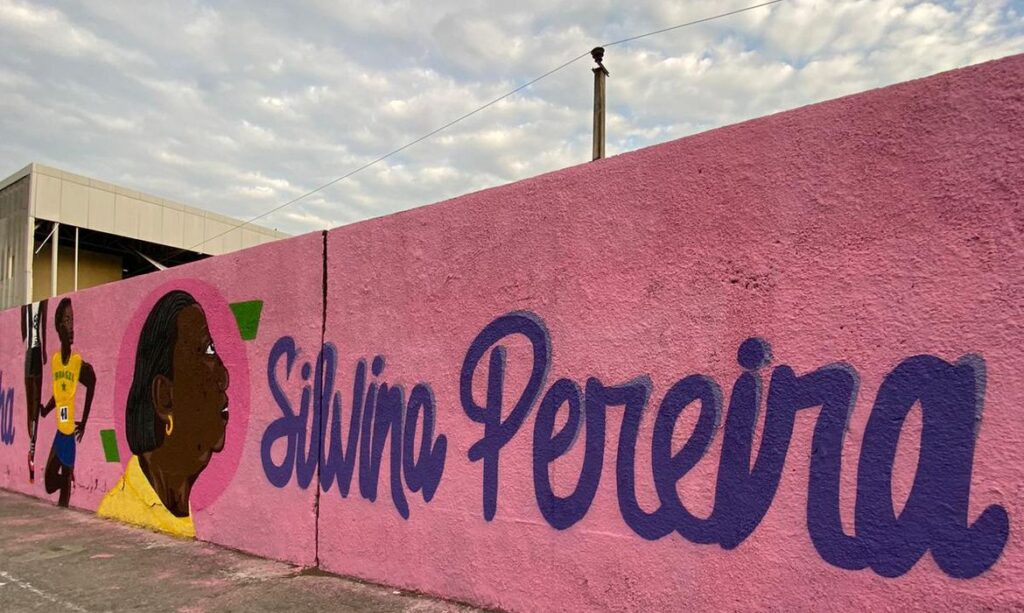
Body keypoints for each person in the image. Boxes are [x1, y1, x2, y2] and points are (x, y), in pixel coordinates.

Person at [98, 290, 230, 538]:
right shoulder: (122, 508)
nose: (224, 376)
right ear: (165, 398)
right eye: (207, 351)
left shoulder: (177, 513)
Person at [39, 298, 96, 507]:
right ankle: (67, 481)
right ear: (58, 325)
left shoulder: (76, 363)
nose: (71, 327)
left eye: (72, 321)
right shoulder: (55, 361)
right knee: (48, 483)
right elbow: (60, 393)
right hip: (58, 432)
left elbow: (92, 382)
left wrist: (85, 421)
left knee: (63, 499)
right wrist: (45, 409)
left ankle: (67, 489)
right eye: (66, 321)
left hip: (69, 433)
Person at [20, 299, 47, 482]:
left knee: (35, 403)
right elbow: (24, 331)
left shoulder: (44, 304)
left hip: (37, 354)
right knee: (32, 404)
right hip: (31, 353)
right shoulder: (26, 308)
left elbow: (43, 327)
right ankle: (32, 448)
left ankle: (32, 448)